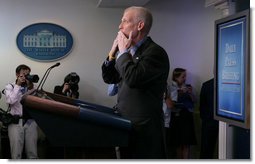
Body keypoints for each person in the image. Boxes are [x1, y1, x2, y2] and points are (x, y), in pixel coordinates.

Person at [102, 6, 170, 159]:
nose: (120, 26)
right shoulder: (127, 52)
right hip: (126, 125)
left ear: (139, 26)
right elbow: (110, 78)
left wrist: (123, 53)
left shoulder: (155, 52)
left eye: (124, 21)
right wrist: (113, 54)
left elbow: (133, 78)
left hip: (145, 131)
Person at [3, 64, 38, 159]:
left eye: (28, 74)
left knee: (33, 154)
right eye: (23, 74)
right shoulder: (10, 86)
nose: (26, 76)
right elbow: (11, 101)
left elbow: (38, 104)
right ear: (17, 74)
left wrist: (31, 87)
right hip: (16, 122)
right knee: (16, 154)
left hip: (31, 122)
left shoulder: (33, 87)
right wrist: (18, 85)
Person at [168, 68, 196, 159]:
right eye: (183, 76)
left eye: (185, 76)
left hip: (187, 116)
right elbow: (170, 103)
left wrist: (190, 93)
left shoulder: (188, 86)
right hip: (176, 117)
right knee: (178, 144)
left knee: (187, 143)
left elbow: (195, 101)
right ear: (176, 77)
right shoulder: (170, 87)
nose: (185, 78)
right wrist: (179, 93)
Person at [199, 78, 219, 159]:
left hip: (209, 121)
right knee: (207, 149)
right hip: (210, 121)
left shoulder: (207, 84)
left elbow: (202, 105)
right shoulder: (207, 84)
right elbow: (202, 104)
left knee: (206, 149)